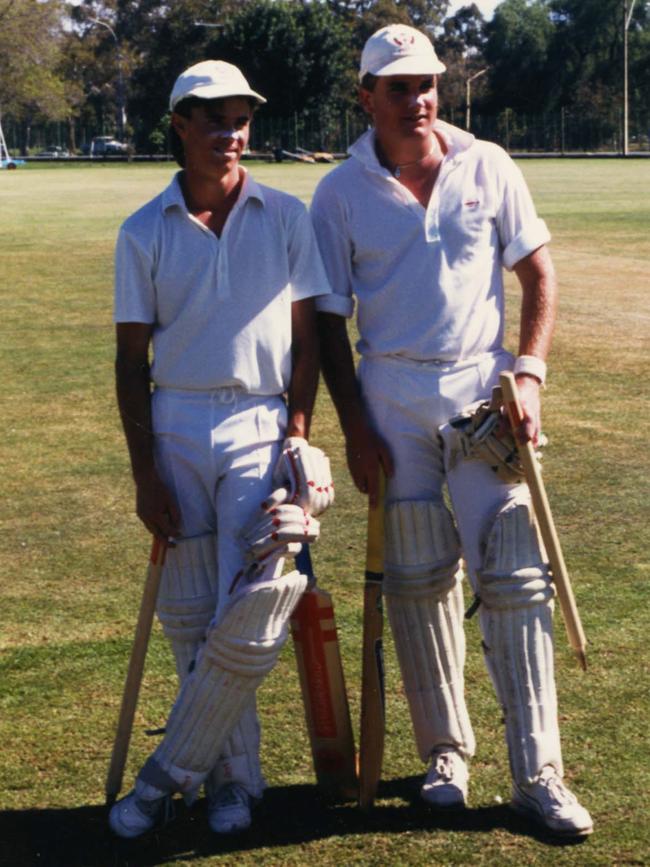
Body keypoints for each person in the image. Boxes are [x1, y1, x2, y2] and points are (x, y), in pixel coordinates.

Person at [311, 25, 593, 837]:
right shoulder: (339, 193)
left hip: (482, 392)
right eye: (398, 87)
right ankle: (446, 754)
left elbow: (537, 271)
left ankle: (539, 772)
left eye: (427, 83)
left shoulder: (487, 163)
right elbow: (330, 325)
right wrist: (355, 425)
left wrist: (530, 375)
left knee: (515, 574)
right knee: (418, 583)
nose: (418, 99)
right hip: (391, 396)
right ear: (366, 96)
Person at [109, 59, 333, 838]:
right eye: (212, 117)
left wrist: (298, 433)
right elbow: (129, 363)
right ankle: (230, 779)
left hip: (257, 420)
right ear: (179, 124)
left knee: (254, 599)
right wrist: (145, 474)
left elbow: (309, 343)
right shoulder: (143, 231)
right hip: (175, 422)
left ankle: (199, 775)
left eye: (239, 118)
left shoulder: (286, 215)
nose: (229, 132)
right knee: (189, 617)